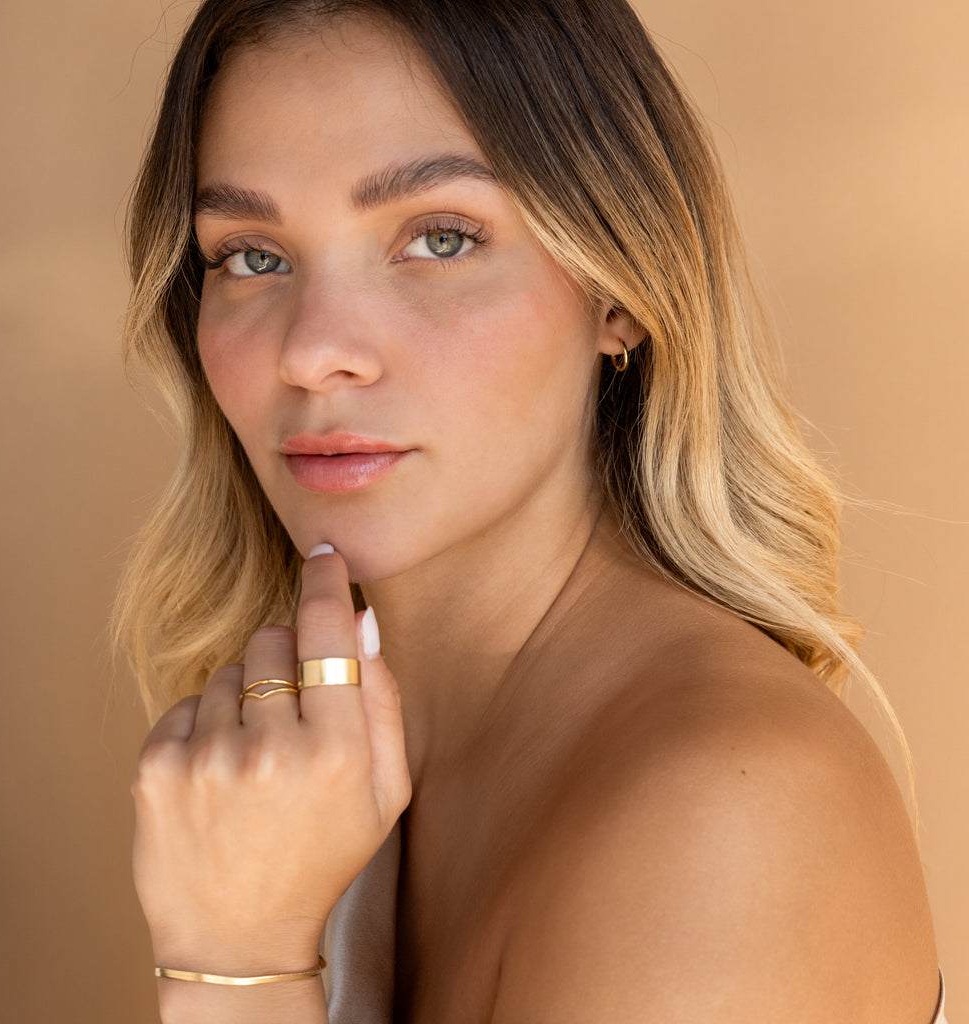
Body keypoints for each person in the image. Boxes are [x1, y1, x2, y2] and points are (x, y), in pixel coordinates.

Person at [116, 1, 944, 1021]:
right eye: (251, 255)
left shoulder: (730, 810)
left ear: (618, 289)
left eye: (440, 238)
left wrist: (234, 965)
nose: (313, 351)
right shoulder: (312, 776)